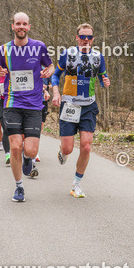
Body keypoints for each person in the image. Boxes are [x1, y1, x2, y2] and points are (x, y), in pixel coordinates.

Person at [0, 12, 54, 202]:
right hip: (12, 103)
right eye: (18, 23)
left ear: (29, 26)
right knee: (16, 147)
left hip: (34, 104)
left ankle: (29, 159)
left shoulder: (39, 47)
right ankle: (19, 187)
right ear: (12, 26)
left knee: (31, 150)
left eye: (24, 24)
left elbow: (51, 66)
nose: (21, 27)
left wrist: (47, 73)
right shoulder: (3, 50)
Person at [51, 23, 110, 198]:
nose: (86, 40)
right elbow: (55, 75)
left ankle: (76, 184)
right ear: (77, 38)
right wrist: (56, 92)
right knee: (68, 148)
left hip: (88, 106)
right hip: (69, 104)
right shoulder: (67, 54)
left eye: (89, 37)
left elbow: (101, 77)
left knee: (86, 146)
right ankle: (63, 151)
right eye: (82, 37)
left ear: (93, 39)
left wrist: (105, 82)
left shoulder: (98, 57)